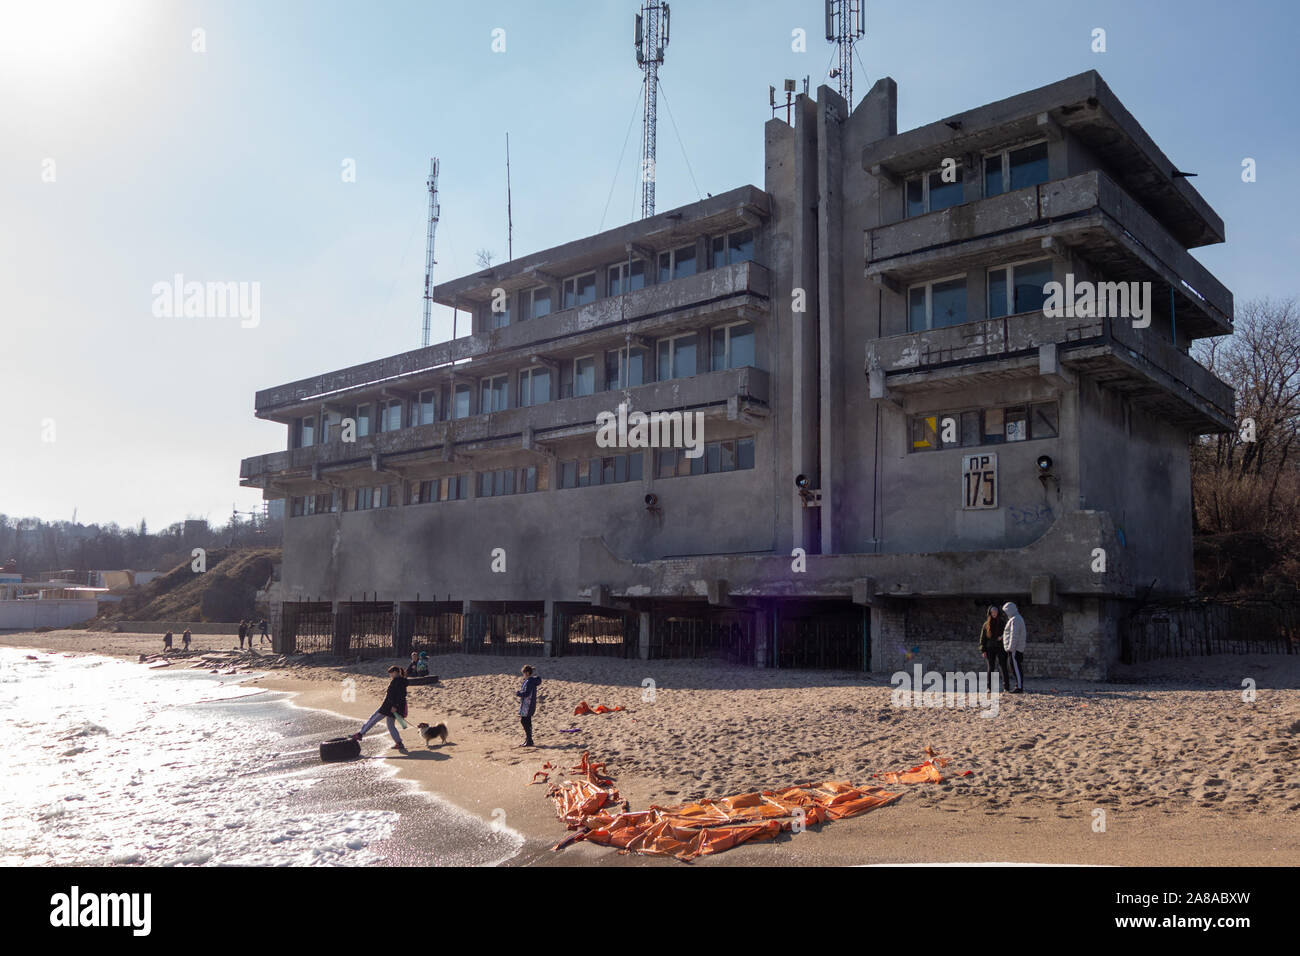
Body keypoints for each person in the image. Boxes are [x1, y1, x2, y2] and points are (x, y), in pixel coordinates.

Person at [351, 665, 409, 752]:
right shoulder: (400, 681)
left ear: (395, 672)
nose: (390, 676)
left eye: (391, 674)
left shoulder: (398, 682)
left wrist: (395, 706)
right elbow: (399, 695)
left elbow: (400, 696)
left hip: (389, 707)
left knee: (373, 718)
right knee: (390, 725)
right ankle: (399, 743)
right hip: (391, 706)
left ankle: (360, 734)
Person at [978, 605, 1011, 692]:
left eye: (995, 611)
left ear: (998, 612)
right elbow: (983, 638)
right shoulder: (986, 624)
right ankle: (989, 687)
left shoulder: (1003, 622)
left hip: (1001, 647)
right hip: (990, 648)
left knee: (1003, 667)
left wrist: (1002, 637)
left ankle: (1006, 687)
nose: (994, 613)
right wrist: (983, 650)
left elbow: (1008, 633)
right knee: (991, 668)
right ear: (990, 613)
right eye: (992, 612)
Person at [1002, 601, 1027, 693]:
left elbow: (1014, 635)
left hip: (1015, 649)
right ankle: (1018, 686)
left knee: (1016, 667)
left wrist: (1010, 648)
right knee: (1015, 667)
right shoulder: (1017, 618)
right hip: (1015, 648)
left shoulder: (1015, 619)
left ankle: (1019, 687)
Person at [515, 665, 541, 747]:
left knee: (524, 721)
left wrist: (519, 693)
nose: (523, 675)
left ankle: (529, 740)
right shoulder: (530, 681)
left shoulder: (529, 681)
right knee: (527, 721)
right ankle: (529, 739)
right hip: (528, 704)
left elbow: (527, 693)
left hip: (528, 705)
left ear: (527, 673)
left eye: (524, 673)